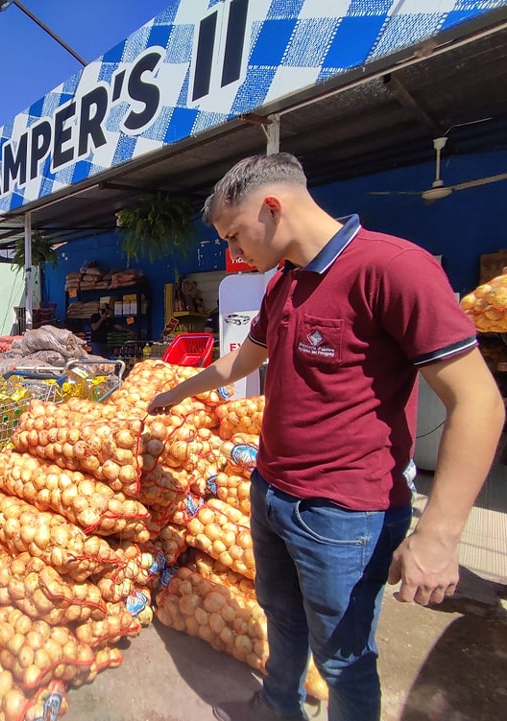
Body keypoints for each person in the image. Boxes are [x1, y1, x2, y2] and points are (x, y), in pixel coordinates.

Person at [146, 153, 503, 721]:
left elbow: (479, 402)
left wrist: (438, 536)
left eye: (235, 236)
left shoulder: (393, 268)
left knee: (343, 661)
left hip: (345, 517)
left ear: (271, 207)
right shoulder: (284, 284)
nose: (234, 255)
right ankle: (276, 706)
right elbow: (244, 360)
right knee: (281, 619)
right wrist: (177, 392)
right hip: (272, 493)